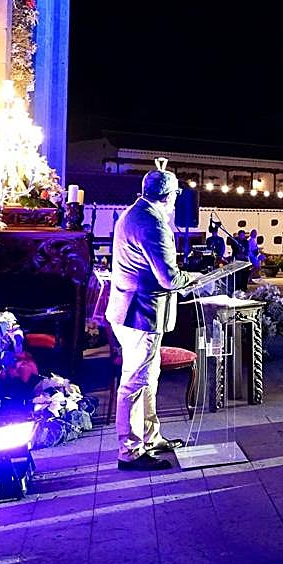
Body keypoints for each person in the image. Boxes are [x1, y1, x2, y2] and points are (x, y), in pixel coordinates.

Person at [106, 163, 202, 472]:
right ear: (170, 195)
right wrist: (196, 277)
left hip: (132, 310)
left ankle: (150, 435)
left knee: (149, 377)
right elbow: (169, 279)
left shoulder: (135, 213)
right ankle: (130, 451)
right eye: (175, 194)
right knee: (136, 381)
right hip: (140, 315)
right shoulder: (152, 222)